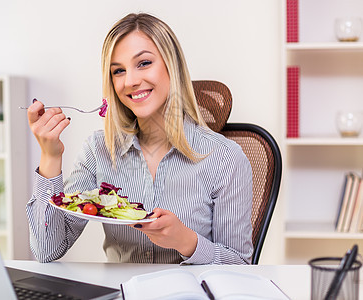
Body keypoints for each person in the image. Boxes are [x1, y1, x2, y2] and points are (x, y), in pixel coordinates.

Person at [26, 12, 253, 265]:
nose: (131, 81)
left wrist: (186, 241)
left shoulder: (225, 159)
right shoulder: (98, 150)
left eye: (144, 63)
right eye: (118, 71)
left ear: (172, 66)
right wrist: (50, 156)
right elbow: (47, 250)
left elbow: (240, 267)